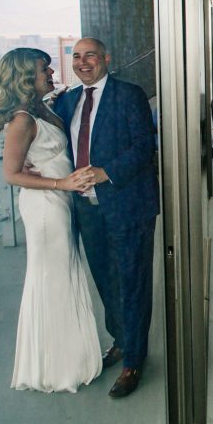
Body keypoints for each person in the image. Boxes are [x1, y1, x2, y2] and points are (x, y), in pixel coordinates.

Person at [53, 38, 160, 399]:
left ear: (106, 58)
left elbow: (144, 147)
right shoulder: (67, 101)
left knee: (132, 281)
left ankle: (133, 359)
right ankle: (121, 338)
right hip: (87, 209)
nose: (83, 63)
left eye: (90, 56)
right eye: (77, 57)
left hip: (128, 204)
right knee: (106, 280)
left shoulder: (129, 95)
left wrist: (105, 172)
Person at [0, 47, 101, 393]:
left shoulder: (42, 108)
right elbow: (10, 173)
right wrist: (61, 182)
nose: (51, 74)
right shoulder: (23, 119)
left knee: (64, 275)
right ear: (26, 76)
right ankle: (57, 369)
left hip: (59, 202)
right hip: (44, 208)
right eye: (44, 70)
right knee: (52, 280)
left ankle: (69, 359)